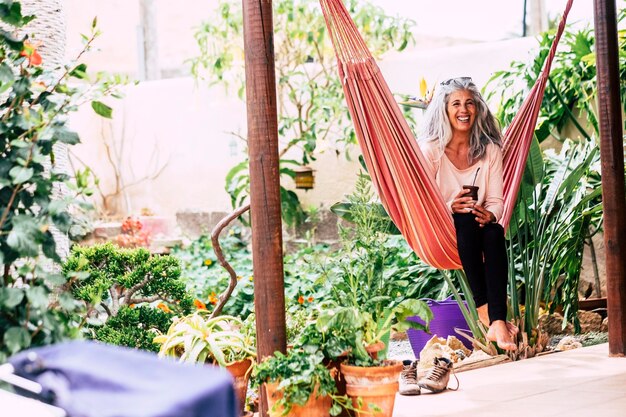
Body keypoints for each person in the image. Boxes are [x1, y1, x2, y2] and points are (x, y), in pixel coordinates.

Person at [418, 77, 518, 352]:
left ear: (477, 109)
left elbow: (497, 200)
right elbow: (423, 201)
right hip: (447, 226)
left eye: (469, 103)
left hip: (481, 225)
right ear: (445, 110)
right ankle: (487, 309)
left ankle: (495, 320)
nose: (464, 110)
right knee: (464, 217)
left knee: (495, 232)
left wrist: (491, 214)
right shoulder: (431, 151)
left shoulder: (489, 151)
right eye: (456, 104)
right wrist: (450, 205)